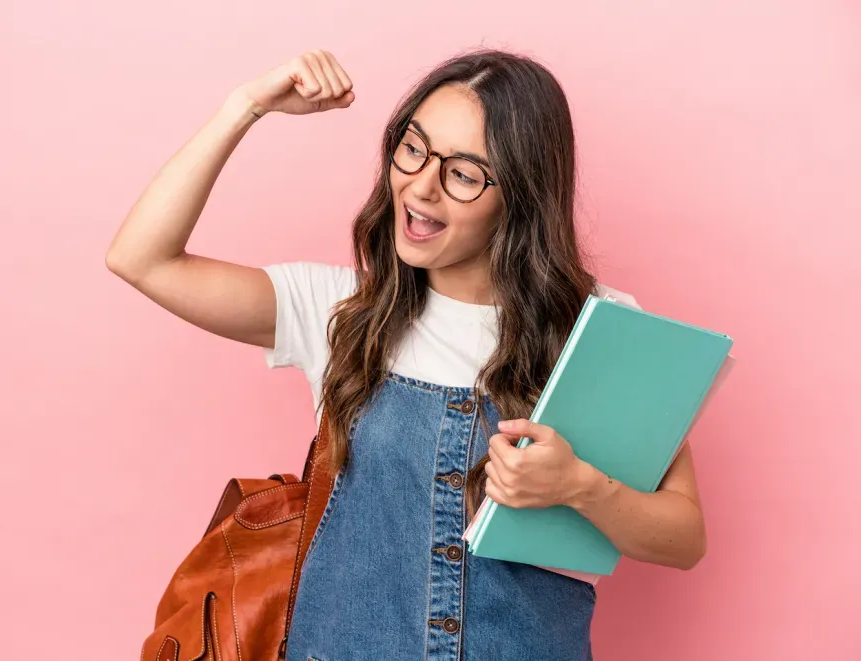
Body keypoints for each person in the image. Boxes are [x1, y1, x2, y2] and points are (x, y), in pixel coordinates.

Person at [107, 47, 707, 661]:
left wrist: (581, 488)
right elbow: (142, 259)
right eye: (413, 148)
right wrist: (246, 107)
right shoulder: (340, 310)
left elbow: (683, 538)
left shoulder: (597, 330)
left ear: (521, 196)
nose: (420, 188)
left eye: (464, 174)